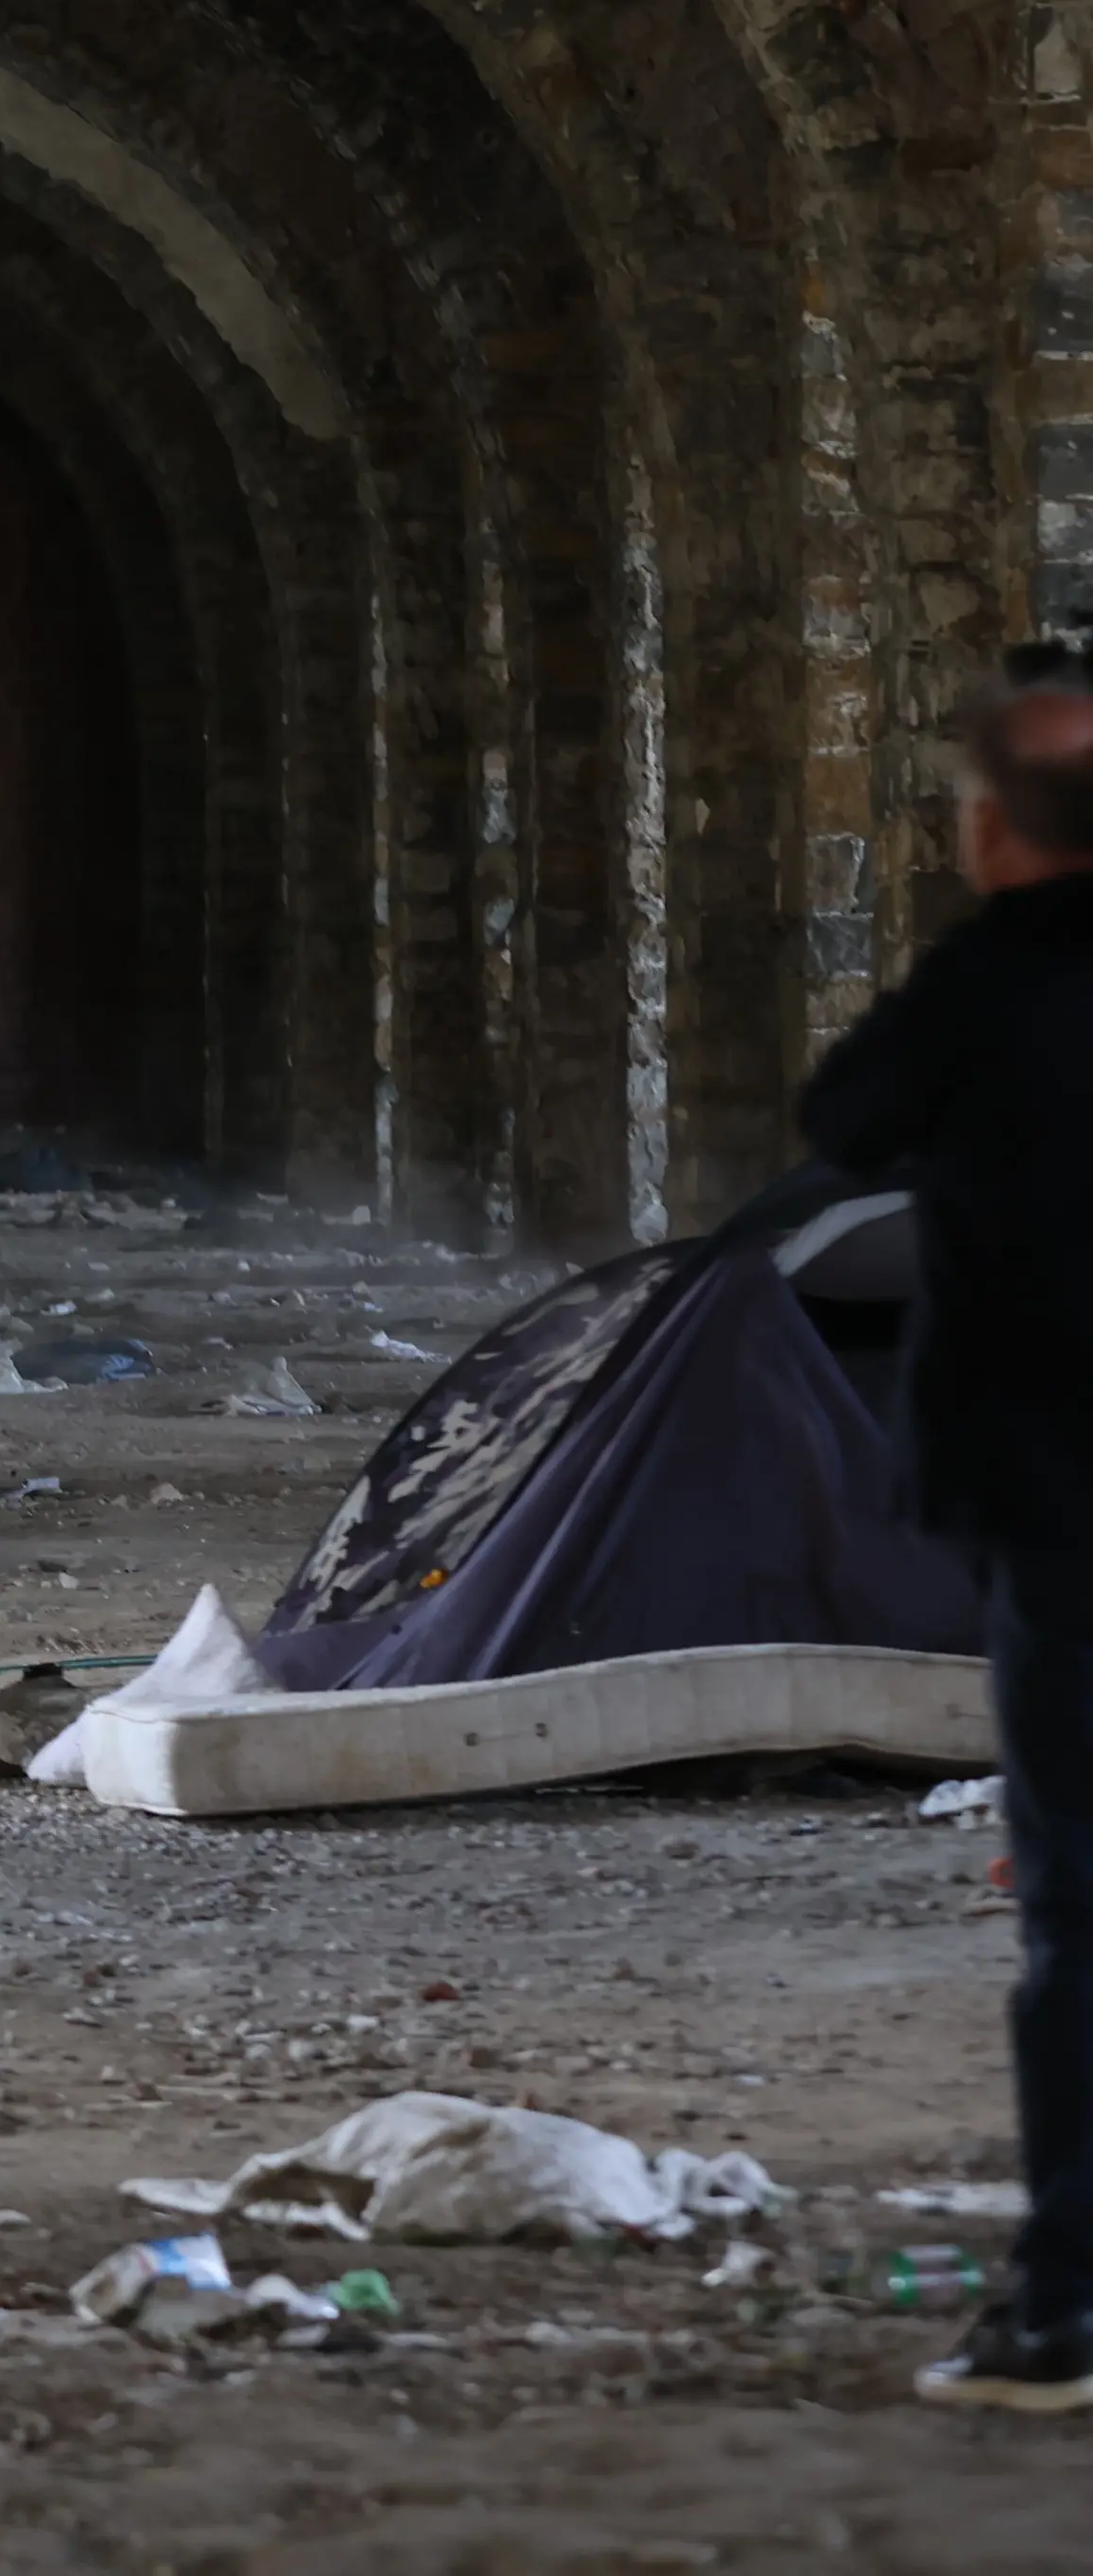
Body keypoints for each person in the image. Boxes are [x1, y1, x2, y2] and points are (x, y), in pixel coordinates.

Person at [801, 664, 1093, 2412]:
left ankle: (1067, 2308)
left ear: (990, 834)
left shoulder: (988, 990)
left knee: (1082, 1915)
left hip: (1062, 1512)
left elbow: (844, 1124)